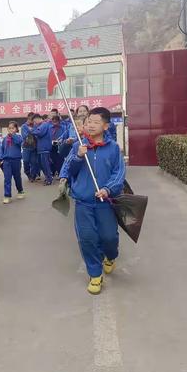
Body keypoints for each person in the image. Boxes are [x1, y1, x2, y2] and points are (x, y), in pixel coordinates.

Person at [64, 107, 125, 295]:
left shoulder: (113, 148)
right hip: (83, 201)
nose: (90, 125)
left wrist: (108, 189)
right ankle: (95, 274)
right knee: (87, 239)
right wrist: (78, 157)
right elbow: (70, 170)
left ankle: (111, 256)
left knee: (109, 237)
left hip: (105, 202)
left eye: (96, 122)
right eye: (89, 121)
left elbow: (119, 173)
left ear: (106, 126)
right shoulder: (79, 146)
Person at [0, 121, 24, 204]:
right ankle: (7, 195)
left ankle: (20, 190)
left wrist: (13, 135)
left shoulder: (19, 137)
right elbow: (1, 149)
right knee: (7, 178)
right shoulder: (5, 139)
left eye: (13, 128)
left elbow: (19, 142)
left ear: (16, 129)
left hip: (16, 160)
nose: (11, 130)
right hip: (6, 161)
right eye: (9, 128)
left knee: (17, 177)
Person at [33, 114, 53, 185]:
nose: (34, 123)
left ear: (37, 118)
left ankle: (49, 179)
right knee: (43, 164)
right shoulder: (43, 125)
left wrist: (33, 131)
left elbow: (39, 132)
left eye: (35, 121)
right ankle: (48, 178)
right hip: (42, 148)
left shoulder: (44, 125)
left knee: (45, 164)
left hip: (44, 148)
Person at [20, 112, 40, 182]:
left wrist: (33, 131)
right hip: (26, 147)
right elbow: (24, 136)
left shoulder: (36, 125)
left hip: (34, 147)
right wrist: (31, 131)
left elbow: (38, 135)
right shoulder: (24, 126)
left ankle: (33, 176)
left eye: (33, 119)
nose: (32, 121)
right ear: (28, 118)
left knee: (34, 162)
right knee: (26, 161)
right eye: (31, 119)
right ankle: (28, 174)